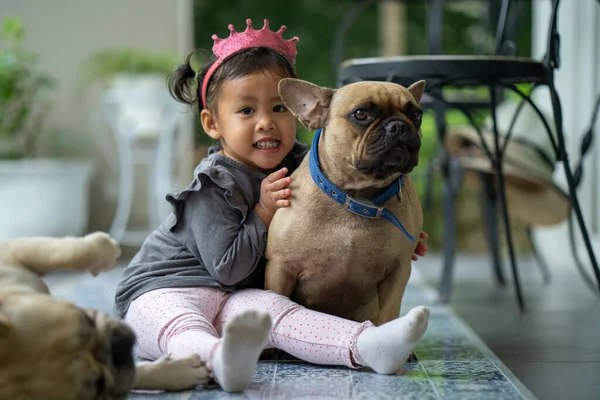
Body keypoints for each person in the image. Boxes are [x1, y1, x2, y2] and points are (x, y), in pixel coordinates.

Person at [114, 19, 430, 393]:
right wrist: (263, 210)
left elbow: (342, 206)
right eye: (247, 111)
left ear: (301, 112)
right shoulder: (212, 185)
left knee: (279, 316)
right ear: (212, 123)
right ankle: (215, 358)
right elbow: (227, 269)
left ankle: (366, 345)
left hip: (235, 298)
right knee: (182, 324)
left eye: (279, 108)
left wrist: (392, 232)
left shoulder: (307, 166)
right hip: (164, 288)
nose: (266, 123)